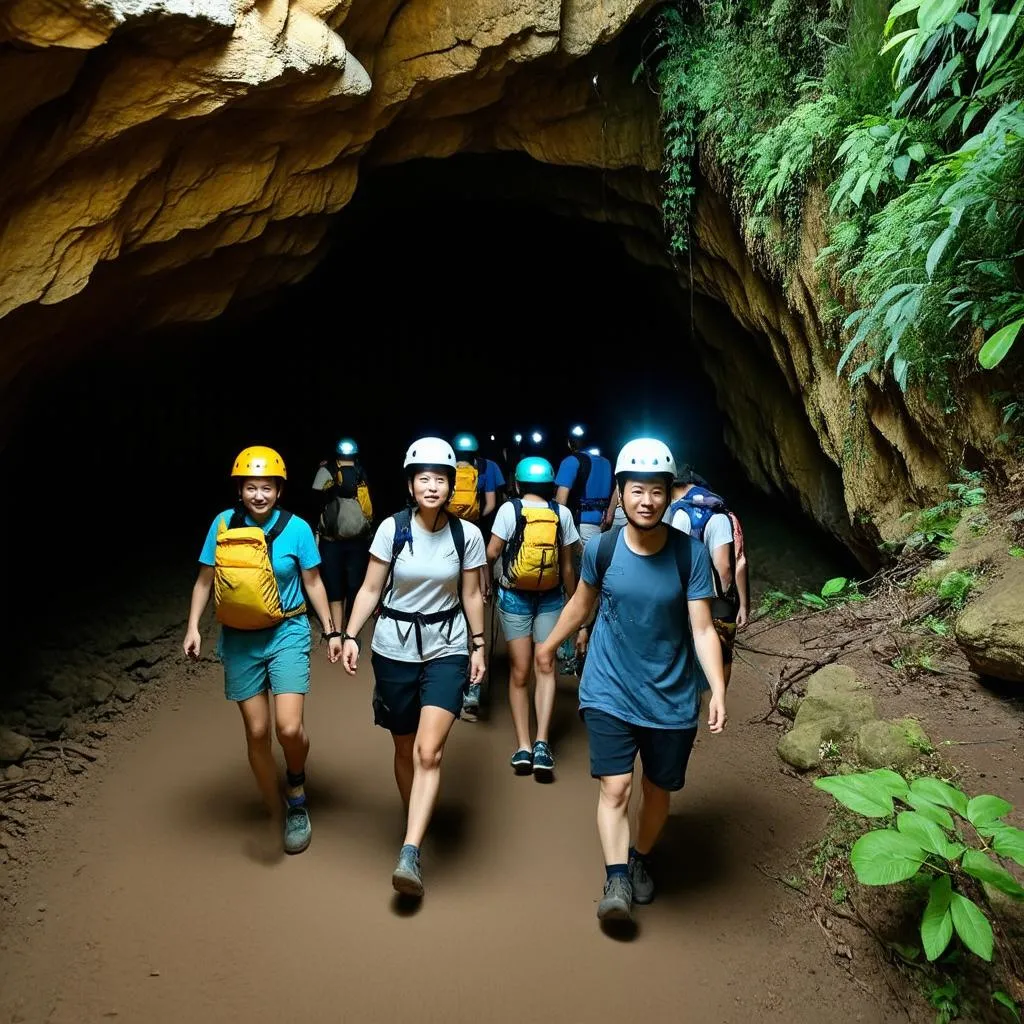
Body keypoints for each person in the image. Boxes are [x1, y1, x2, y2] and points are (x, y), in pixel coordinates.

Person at [537, 437, 728, 925]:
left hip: (670, 694)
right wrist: (550, 641)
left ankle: (640, 854)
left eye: (657, 491)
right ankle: (617, 877)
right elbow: (582, 604)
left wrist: (719, 690)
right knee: (616, 787)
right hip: (609, 687)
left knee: (659, 790)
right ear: (620, 492)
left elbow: (703, 628)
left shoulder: (690, 556)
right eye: (636, 490)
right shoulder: (602, 548)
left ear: (670, 494)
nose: (646, 501)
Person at [341, 437, 487, 899]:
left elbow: (470, 595)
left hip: (447, 648)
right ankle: (416, 817)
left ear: (450, 486)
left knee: (429, 752)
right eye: (423, 478)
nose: (432, 486)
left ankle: (410, 850)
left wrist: (479, 645)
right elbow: (369, 588)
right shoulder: (392, 528)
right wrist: (349, 635)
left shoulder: (467, 535)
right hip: (393, 648)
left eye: (440, 479)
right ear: (410, 483)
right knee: (404, 746)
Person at [183, 446, 343, 856]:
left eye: (267, 487)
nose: (259, 495)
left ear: (279, 490)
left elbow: (314, 583)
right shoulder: (222, 524)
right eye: (251, 487)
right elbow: (205, 580)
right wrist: (194, 628)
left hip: (287, 630)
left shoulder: (298, 529)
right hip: (239, 638)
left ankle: (296, 787)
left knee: (287, 729)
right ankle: (277, 806)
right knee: (256, 731)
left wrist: (331, 630)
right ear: (240, 490)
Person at [487, 456, 581, 777]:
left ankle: (524, 746)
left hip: (514, 597)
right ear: (551, 485)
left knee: (520, 671)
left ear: (517, 483)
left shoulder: (508, 510)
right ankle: (542, 743)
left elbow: (492, 553)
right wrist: (573, 601)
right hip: (553, 598)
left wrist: (485, 583)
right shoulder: (562, 513)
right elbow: (567, 566)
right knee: (546, 665)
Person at [667, 468, 748, 686]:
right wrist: (739, 603)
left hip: (683, 599)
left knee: (685, 652)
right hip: (716, 601)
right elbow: (728, 566)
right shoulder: (720, 515)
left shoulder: (676, 515)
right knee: (722, 654)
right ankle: (717, 696)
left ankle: (690, 698)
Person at [447, 431, 504, 719]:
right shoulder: (488, 467)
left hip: (445, 531)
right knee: (474, 604)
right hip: (475, 532)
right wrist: (477, 516)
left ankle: (446, 688)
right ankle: (473, 690)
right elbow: (492, 503)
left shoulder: (446, 466)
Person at [312, 437, 373, 634]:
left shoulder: (326, 470)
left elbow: (315, 498)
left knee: (333, 584)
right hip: (359, 540)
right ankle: (351, 633)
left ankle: (335, 632)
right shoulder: (362, 471)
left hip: (331, 540)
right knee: (355, 585)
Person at [555, 424, 614, 547]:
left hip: (581, 524)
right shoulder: (606, 462)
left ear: (569, 443)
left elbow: (561, 502)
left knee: (582, 564)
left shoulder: (571, 461)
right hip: (604, 522)